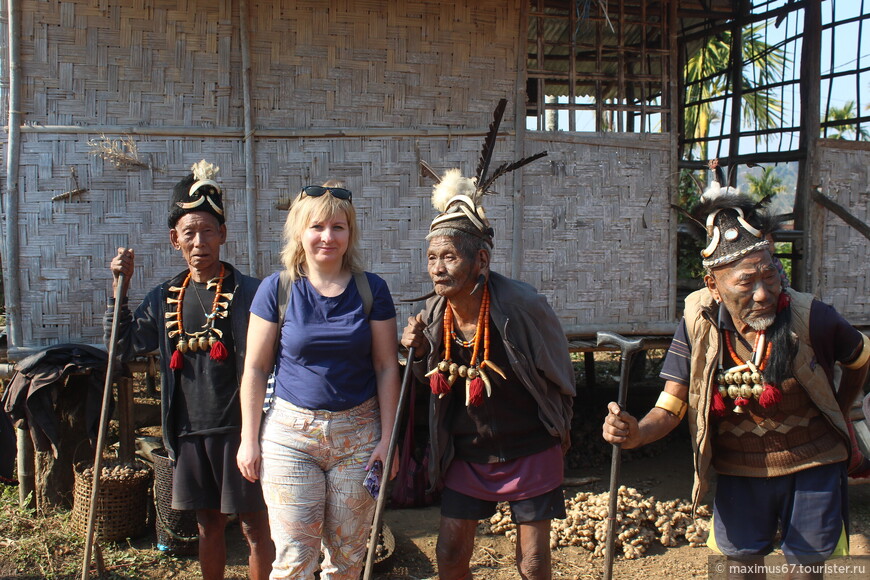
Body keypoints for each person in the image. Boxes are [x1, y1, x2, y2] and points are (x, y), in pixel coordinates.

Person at [602, 184, 870, 578]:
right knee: (737, 569)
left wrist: (844, 409)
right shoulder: (699, 321)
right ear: (713, 285)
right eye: (746, 282)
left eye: (770, 275)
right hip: (739, 471)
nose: (763, 293)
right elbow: (672, 405)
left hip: (814, 463)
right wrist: (638, 432)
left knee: (808, 571)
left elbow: (860, 357)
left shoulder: (811, 316)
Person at [401, 159, 576, 579]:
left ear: (480, 259)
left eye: (449, 257)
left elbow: (560, 376)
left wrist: (558, 430)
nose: (438, 268)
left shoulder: (522, 307)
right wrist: (420, 352)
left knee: (532, 563)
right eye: (431, 257)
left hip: (530, 446)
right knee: (449, 551)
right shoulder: (433, 312)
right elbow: (428, 387)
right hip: (469, 452)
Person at [107, 160, 273, 580]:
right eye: (189, 232)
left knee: (255, 525)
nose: (200, 241)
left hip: (241, 430)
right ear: (174, 239)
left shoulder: (251, 292)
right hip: (189, 432)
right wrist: (119, 290)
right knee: (207, 524)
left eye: (208, 230)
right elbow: (123, 347)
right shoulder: (164, 297)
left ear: (223, 235)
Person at [236, 181, 400, 579]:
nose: (328, 237)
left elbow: (386, 366)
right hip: (291, 437)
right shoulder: (276, 289)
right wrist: (248, 438)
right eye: (317, 227)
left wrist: (387, 439)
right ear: (300, 231)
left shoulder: (372, 289)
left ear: (350, 233)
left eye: (338, 227)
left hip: (358, 438)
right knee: (294, 559)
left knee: (348, 559)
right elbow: (255, 369)